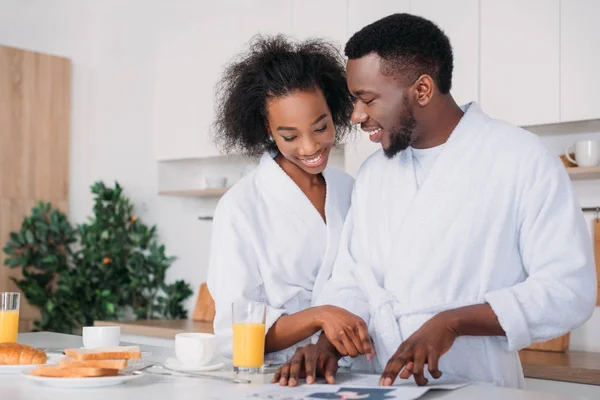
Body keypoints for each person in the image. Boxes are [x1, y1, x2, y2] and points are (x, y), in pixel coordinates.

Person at [273, 13, 597, 388]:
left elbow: (569, 290)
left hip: (473, 384)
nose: (357, 115)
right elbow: (353, 277)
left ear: (422, 90)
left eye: (368, 99)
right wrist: (326, 345)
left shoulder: (520, 158)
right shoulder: (376, 173)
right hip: (374, 382)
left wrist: (452, 322)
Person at [207, 35, 375, 365]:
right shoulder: (240, 207)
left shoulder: (349, 190)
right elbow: (234, 332)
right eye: (290, 136)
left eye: (321, 127)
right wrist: (319, 316)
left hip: (355, 369)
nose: (310, 147)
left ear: (335, 112)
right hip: (281, 377)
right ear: (267, 130)